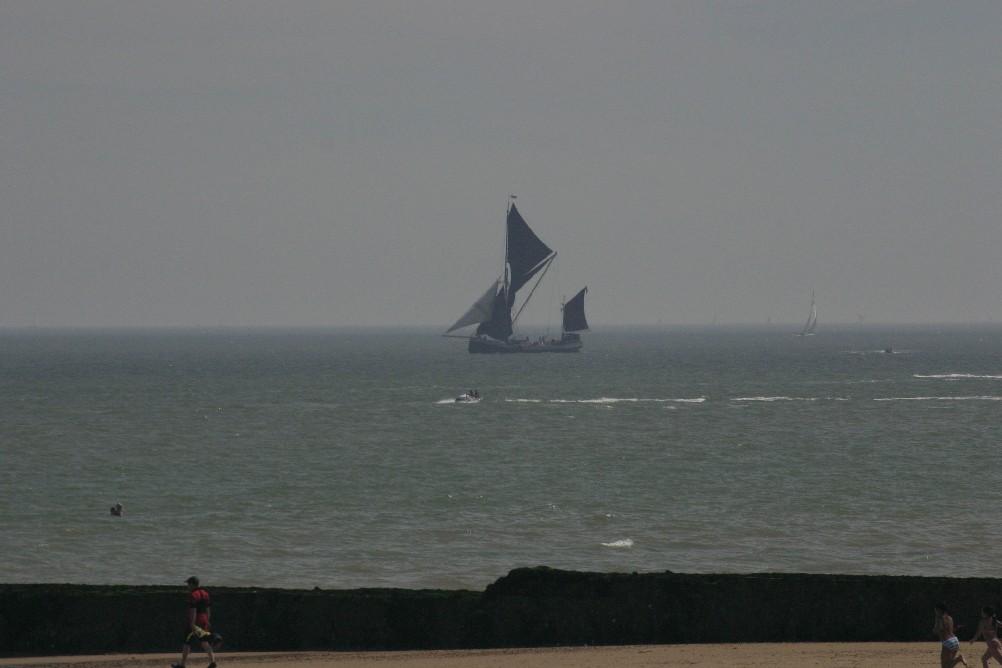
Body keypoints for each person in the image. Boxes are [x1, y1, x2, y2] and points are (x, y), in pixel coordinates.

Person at [172, 576, 221, 668]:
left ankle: (182, 664)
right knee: (204, 641)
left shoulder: (193, 595)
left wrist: (192, 624)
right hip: (204, 619)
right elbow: (208, 609)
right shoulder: (205, 594)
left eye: (188, 584)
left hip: (196, 620)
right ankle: (212, 661)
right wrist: (208, 620)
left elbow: (193, 610)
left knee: (187, 642)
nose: (188, 586)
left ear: (192, 584)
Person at [934, 602, 969, 668]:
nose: (935, 612)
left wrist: (934, 630)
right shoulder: (950, 618)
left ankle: (959, 658)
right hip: (955, 640)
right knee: (949, 664)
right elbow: (950, 630)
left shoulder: (939, 617)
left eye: (935, 610)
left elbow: (939, 628)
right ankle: (959, 659)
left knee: (944, 666)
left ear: (939, 610)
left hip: (947, 642)